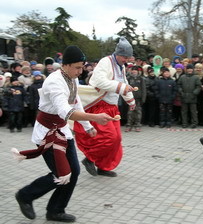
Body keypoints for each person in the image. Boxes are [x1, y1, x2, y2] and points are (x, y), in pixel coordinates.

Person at [11, 45, 113, 222]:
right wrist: (95, 117)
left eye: (82, 67)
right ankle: (25, 195)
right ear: (65, 65)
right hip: (47, 134)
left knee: (73, 172)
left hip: (63, 132)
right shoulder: (54, 81)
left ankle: (56, 210)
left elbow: (75, 102)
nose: (80, 71)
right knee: (60, 174)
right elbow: (66, 111)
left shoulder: (71, 78)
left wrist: (88, 125)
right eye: (77, 67)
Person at [73, 37, 136, 177]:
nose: (126, 59)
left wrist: (130, 101)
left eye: (128, 57)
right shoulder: (105, 62)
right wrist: (121, 87)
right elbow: (99, 81)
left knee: (117, 139)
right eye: (124, 56)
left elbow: (123, 83)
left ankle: (103, 167)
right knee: (110, 138)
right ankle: (89, 159)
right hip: (99, 106)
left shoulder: (122, 66)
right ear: (118, 53)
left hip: (112, 108)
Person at [177, 64, 201, 128]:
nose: (189, 70)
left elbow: (198, 86)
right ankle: (184, 123)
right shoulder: (182, 77)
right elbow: (179, 85)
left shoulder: (196, 77)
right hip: (184, 96)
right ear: (186, 70)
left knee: (193, 111)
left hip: (193, 97)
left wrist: (194, 93)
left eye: (191, 69)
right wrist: (181, 92)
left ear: (192, 69)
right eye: (188, 69)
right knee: (184, 111)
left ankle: (194, 123)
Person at [125, 66, 147, 132]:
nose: (134, 71)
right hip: (130, 98)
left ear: (138, 71)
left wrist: (143, 98)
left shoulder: (141, 79)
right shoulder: (128, 78)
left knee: (138, 112)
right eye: (133, 70)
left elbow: (144, 89)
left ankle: (137, 125)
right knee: (130, 112)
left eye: (135, 70)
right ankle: (129, 125)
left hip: (138, 98)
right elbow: (125, 88)